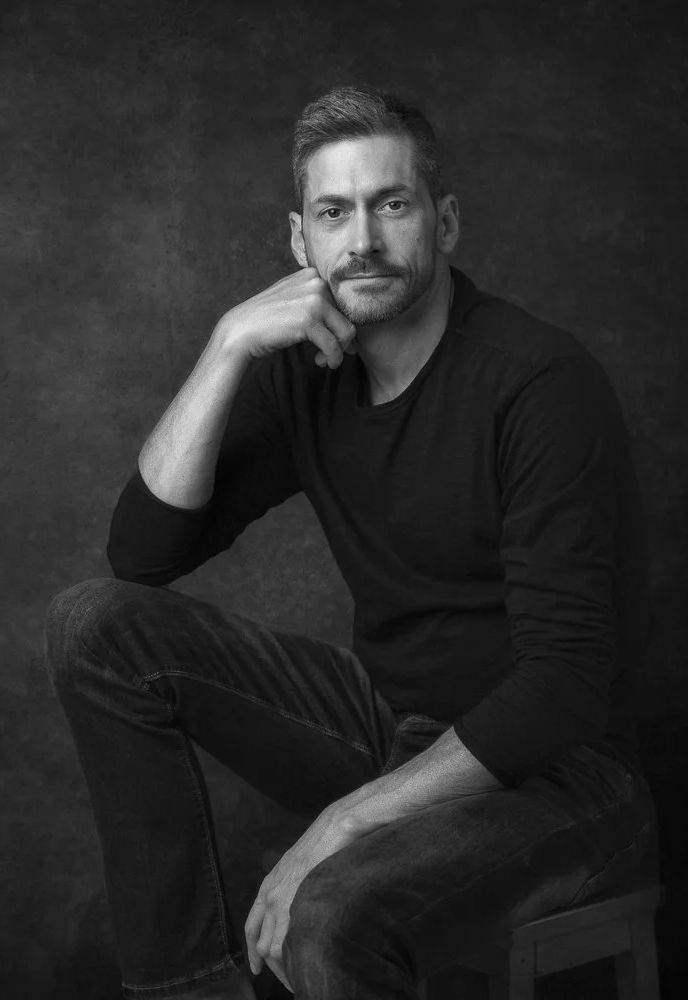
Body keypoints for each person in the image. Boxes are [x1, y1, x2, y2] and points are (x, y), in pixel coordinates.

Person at [44, 84, 657, 1000]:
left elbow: (565, 688)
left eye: (392, 204)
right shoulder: (310, 371)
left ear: (444, 223)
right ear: (301, 243)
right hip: (396, 728)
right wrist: (225, 346)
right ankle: (194, 989)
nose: (362, 240)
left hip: (567, 778)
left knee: (329, 918)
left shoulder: (537, 383)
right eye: (334, 213)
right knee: (98, 626)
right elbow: (141, 555)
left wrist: (343, 823)